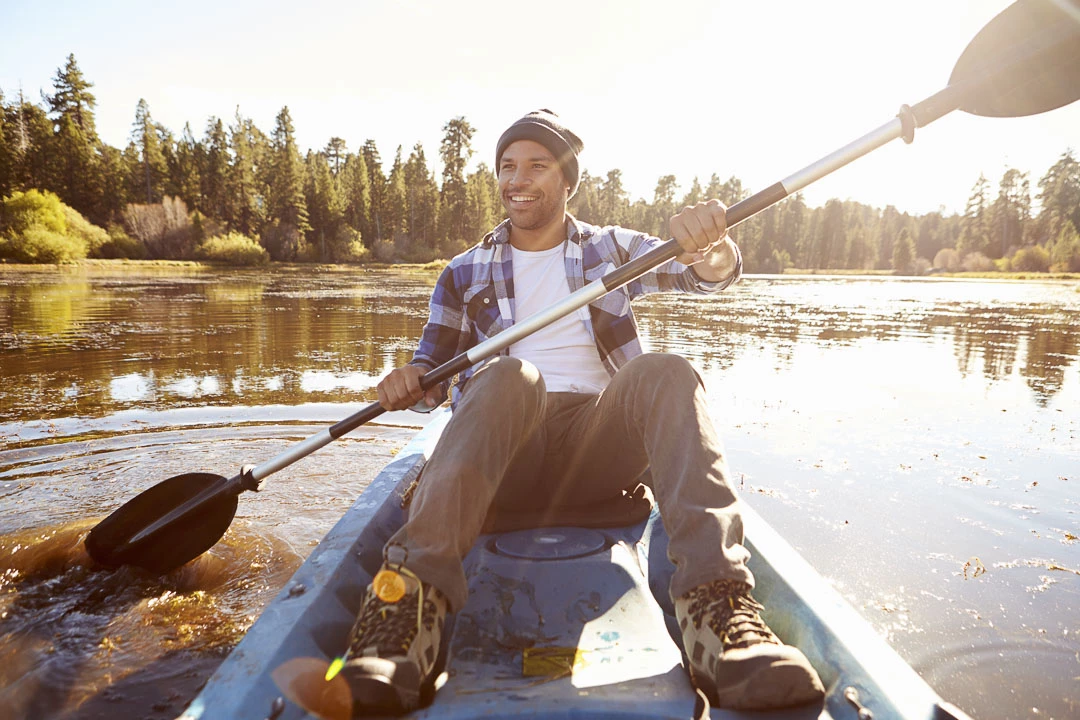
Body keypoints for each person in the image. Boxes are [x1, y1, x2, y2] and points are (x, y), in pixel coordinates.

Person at [341, 110, 825, 715]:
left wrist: (716, 249)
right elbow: (432, 382)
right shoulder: (462, 272)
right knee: (512, 376)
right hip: (505, 446)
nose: (517, 179)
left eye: (536, 166)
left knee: (668, 371)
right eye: (507, 167)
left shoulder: (612, 248)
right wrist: (407, 382)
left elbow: (704, 276)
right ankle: (402, 616)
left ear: (567, 179)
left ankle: (718, 614)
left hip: (596, 446)